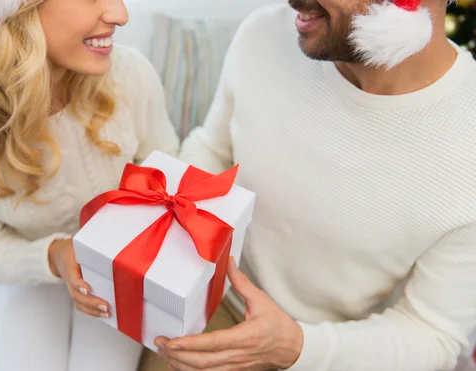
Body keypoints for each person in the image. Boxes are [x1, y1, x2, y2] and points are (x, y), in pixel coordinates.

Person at [138, 0, 476, 370]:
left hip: (343, 353)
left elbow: (433, 333)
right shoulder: (266, 33)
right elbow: (213, 148)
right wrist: (152, 242)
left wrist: (295, 347)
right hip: (211, 306)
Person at [0, 0, 179, 370]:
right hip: (25, 265)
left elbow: (166, 169)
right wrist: (56, 256)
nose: (120, 14)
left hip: (118, 263)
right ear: (14, 12)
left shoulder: (129, 74)